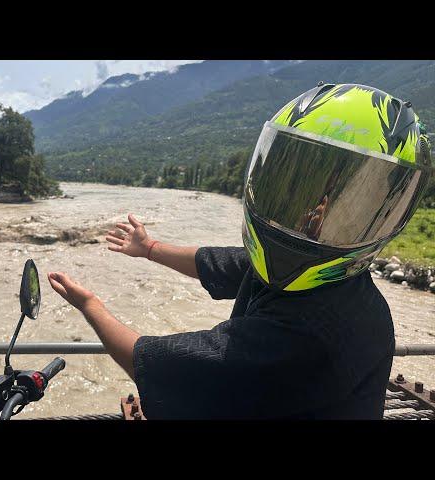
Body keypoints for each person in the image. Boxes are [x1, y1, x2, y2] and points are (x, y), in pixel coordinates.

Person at [47, 83, 433, 419]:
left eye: (346, 208)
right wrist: (150, 248)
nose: (312, 213)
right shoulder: (329, 286)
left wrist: (90, 306)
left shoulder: (315, 334)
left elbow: (153, 365)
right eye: (298, 190)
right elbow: (225, 263)